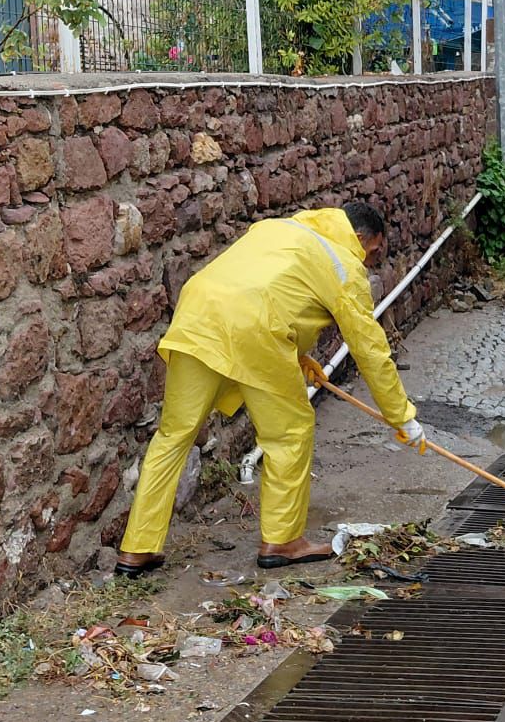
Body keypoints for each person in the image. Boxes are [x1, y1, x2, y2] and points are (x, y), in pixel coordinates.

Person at [114, 200, 423, 575]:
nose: (370, 263)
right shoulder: (343, 264)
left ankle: (138, 548)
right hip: (255, 328)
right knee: (289, 433)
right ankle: (283, 540)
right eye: (373, 253)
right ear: (359, 237)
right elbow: (370, 349)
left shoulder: (280, 229)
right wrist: (401, 416)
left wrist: (296, 357)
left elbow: (269, 289)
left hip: (197, 314)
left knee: (173, 435)